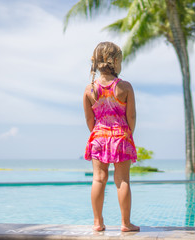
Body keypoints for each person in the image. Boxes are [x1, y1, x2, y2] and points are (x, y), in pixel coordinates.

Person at [83, 42, 140, 232]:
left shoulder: (89, 90)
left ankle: (98, 223)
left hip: (98, 136)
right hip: (120, 136)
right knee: (122, 180)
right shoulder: (125, 87)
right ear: (115, 61)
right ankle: (126, 223)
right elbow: (131, 116)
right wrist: (128, 133)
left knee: (98, 179)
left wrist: (99, 132)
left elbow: (89, 120)